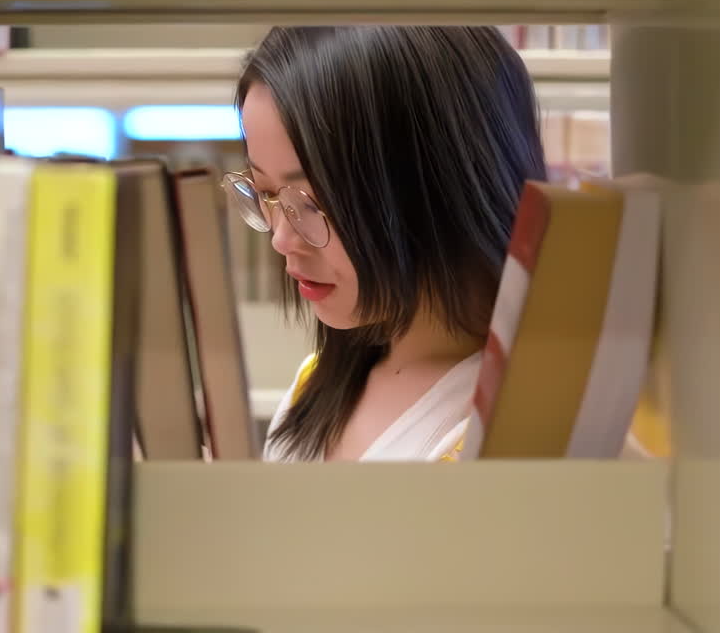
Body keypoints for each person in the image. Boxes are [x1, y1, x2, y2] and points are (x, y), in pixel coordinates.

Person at [223, 26, 546, 462]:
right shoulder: (313, 385)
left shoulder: (508, 435)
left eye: (314, 202)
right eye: (266, 194)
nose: (282, 239)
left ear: (439, 186)